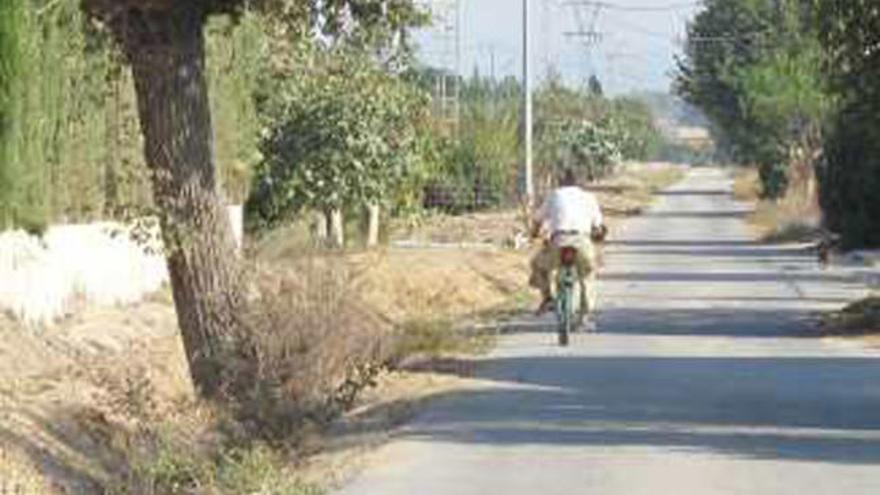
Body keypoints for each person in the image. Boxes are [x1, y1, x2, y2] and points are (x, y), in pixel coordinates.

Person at [529, 168, 606, 316]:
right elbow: (598, 225)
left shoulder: (554, 195)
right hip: (582, 241)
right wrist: (597, 236)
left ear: (560, 182)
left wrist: (534, 233)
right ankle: (586, 311)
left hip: (558, 241)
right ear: (578, 183)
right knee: (587, 274)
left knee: (537, 264)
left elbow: (538, 219)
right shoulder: (589, 197)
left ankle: (547, 297)